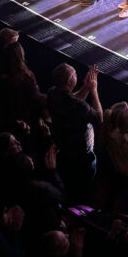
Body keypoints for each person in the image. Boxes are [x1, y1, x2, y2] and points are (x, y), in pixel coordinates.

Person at [46, 63, 102, 203]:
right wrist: (94, 90)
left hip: (64, 153)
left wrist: (86, 88)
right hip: (81, 158)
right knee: (81, 192)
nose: (77, 76)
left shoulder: (52, 93)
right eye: (75, 74)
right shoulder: (78, 105)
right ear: (70, 81)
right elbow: (99, 118)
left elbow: (73, 101)